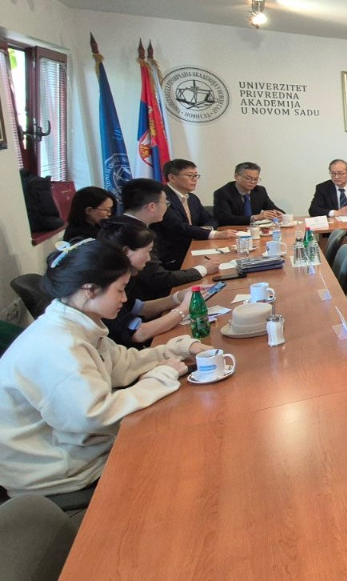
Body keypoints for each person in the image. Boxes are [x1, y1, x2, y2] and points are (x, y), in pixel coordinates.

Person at [0, 239, 210, 500]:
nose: (124, 298)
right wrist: (161, 376)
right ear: (89, 290)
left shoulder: (77, 322)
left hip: (83, 452)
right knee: (189, 467)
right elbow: (95, 417)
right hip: (62, 476)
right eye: (120, 290)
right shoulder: (57, 344)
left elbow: (122, 364)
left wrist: (178, 349)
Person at [107, 179, 216, 300]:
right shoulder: (134, 233)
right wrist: (203, 269)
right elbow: (158, 278)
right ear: (152, 206)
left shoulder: (120, 225)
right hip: (141, 300)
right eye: (166, 203)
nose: (167, 207)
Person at [96, 222, 193, 350]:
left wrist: (178, 297)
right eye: (147, 252)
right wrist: (184, 309)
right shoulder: (106, 287)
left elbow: (138, 308)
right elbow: (138, 333)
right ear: (126, 251)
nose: (148, 259)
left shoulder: (126, 278)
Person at [154, 159, 236, 269]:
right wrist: (214, 234)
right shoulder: (162, 198)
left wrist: (203, 230)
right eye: (190, 176)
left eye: (196, 176)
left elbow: (211, 219)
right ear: (172, 177)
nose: (195, 179)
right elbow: (178, 226)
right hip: (173, 256)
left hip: (195, 247)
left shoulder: (192, 198)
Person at [211, 162, 284, 226]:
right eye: (248, 178)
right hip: (233, 231)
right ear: (236, 176)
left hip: (255, 230)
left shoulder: (260, 191)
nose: (252, 182)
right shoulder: (223, 193)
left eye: (255, 179)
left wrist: (280, 215)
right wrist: (255, 218)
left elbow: (272, 208)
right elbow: (224, 219)